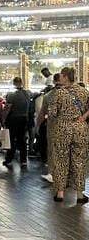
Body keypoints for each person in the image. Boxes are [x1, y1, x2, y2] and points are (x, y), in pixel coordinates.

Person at [48, 67, 89, 204]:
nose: (59, 77)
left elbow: (52, 113)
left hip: (62, 128)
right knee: (80, 160)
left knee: (60, 159)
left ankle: (60, 193)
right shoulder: (84, 91)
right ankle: (80, 195)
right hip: (80, 128)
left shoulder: (58, 93)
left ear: (65, 76)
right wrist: (84, 117)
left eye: (61, 75)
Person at [37, 73, 62, 183]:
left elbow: (42, 113)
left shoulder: (48, 95)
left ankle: (52, 174)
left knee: (52, 151)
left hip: (53, 127)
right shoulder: (71, 94)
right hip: (69, 127)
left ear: (53, 82)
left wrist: (38, 126)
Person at [3, 76, 31, 169]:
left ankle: (9, 159)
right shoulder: (27, 93)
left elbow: (7, 108)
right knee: (22, 140)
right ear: (21, 82)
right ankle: (23, 161)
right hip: (24, 119)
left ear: (14, 83)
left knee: (11, 140)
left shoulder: (12, 94)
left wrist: (3, 119)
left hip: (14, 119)